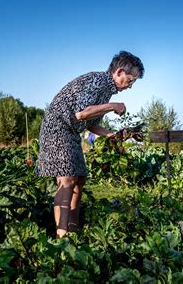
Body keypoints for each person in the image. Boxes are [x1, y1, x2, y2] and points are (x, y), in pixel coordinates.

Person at [37, 51, 144, 238]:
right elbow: (81, 113)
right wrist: (113, 106)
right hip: (57, 128)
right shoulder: (97, 81)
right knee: (67, 179)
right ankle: (62, 237)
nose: (130, 85)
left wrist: (114, 135)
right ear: (119, 72)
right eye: (130, 80)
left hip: (71, 132)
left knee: (80, 179)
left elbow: (92, 124)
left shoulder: (107, 90)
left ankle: (73, 229)